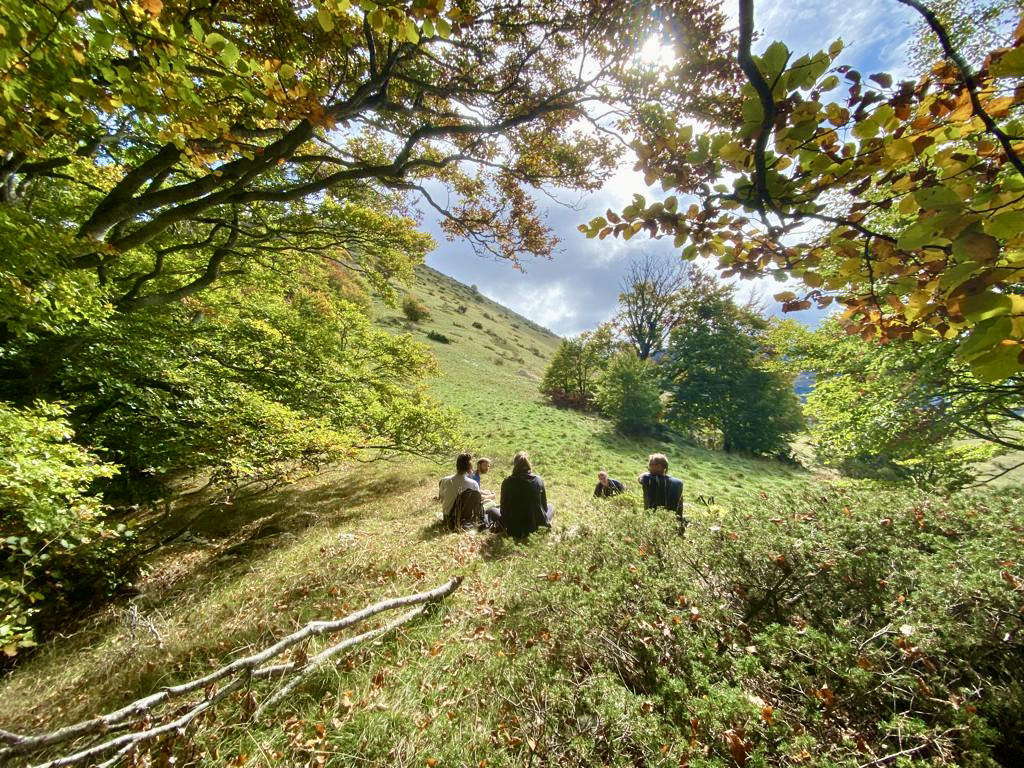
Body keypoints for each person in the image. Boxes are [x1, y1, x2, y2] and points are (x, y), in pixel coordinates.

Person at [499, 451, 554, 538]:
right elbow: (545, 507)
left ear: (515, 465)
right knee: (551, 507)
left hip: (515, 530)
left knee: (493, 510)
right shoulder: (538, 480)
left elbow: (503, 510)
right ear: (528, 464)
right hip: (536, 526)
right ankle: (547, 524)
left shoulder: (507, 482)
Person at [637, 453, 685, 527]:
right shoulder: (678, 483)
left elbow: (640, 478)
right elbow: (680, 507)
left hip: (651, 522)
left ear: (660, 466)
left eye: (651, 465)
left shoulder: (647, 479)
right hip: (673, 523)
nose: (649, 467)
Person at [438, 452, 480, 519]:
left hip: (447, 517)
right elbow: (477, 503)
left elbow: (442, 499)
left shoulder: (444, 480)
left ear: (457, 465)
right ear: (470, 467)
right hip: (464, 519)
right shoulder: (473, 483)